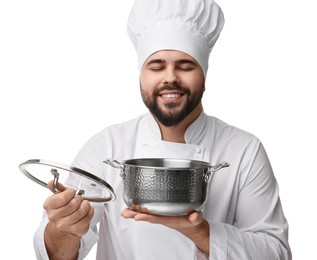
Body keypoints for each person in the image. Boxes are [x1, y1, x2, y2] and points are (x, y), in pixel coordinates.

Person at [34, 0, 292, 259]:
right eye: (156, 66)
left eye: (185, 65)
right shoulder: (106, 147)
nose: (170, 77)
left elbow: (277, 252)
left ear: (204, 73)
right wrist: (64, 228)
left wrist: (201, 232)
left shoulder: (244, 150)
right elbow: (58, 254)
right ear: (141, 75)